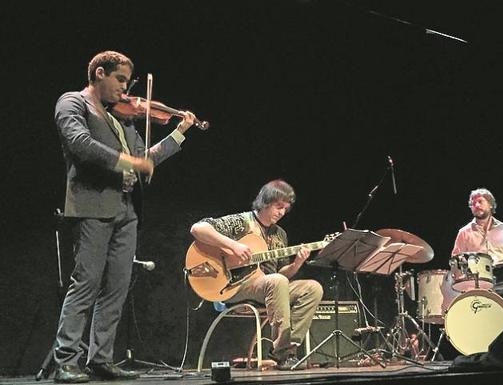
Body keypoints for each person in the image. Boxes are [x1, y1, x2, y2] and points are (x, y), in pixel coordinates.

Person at [53, 50, 196, 383]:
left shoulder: (123, 119)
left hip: (127, 209)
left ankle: (99, 359)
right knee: (86, 282)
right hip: (93, 206)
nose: (125, 90)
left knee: (116, 286)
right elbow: (81, 144)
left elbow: (145, 158)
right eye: (120, 80)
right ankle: (66, 360)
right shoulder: (73, 103)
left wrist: (179, 133)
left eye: (128, 83)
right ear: (99, 73)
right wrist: (129, 163)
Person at [190, 179, 323, 370]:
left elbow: (281, 274)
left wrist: (297, 263)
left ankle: (286, 348)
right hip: (235, 285)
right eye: (278, 206)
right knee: (276, 282)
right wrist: (233, 245)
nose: (282, 212)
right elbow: (198, 228)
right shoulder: (242, 222)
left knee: (312, 288)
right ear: (266, 202)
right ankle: (283, 354)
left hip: (268, 286)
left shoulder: (280, 234)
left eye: (285, 208)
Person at [450, 188, 503, 310]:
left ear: (491, 204)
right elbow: (456, 259)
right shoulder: (464, 232)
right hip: (478, 280)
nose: (476, 205)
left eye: (480, 201)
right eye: (473, 203)